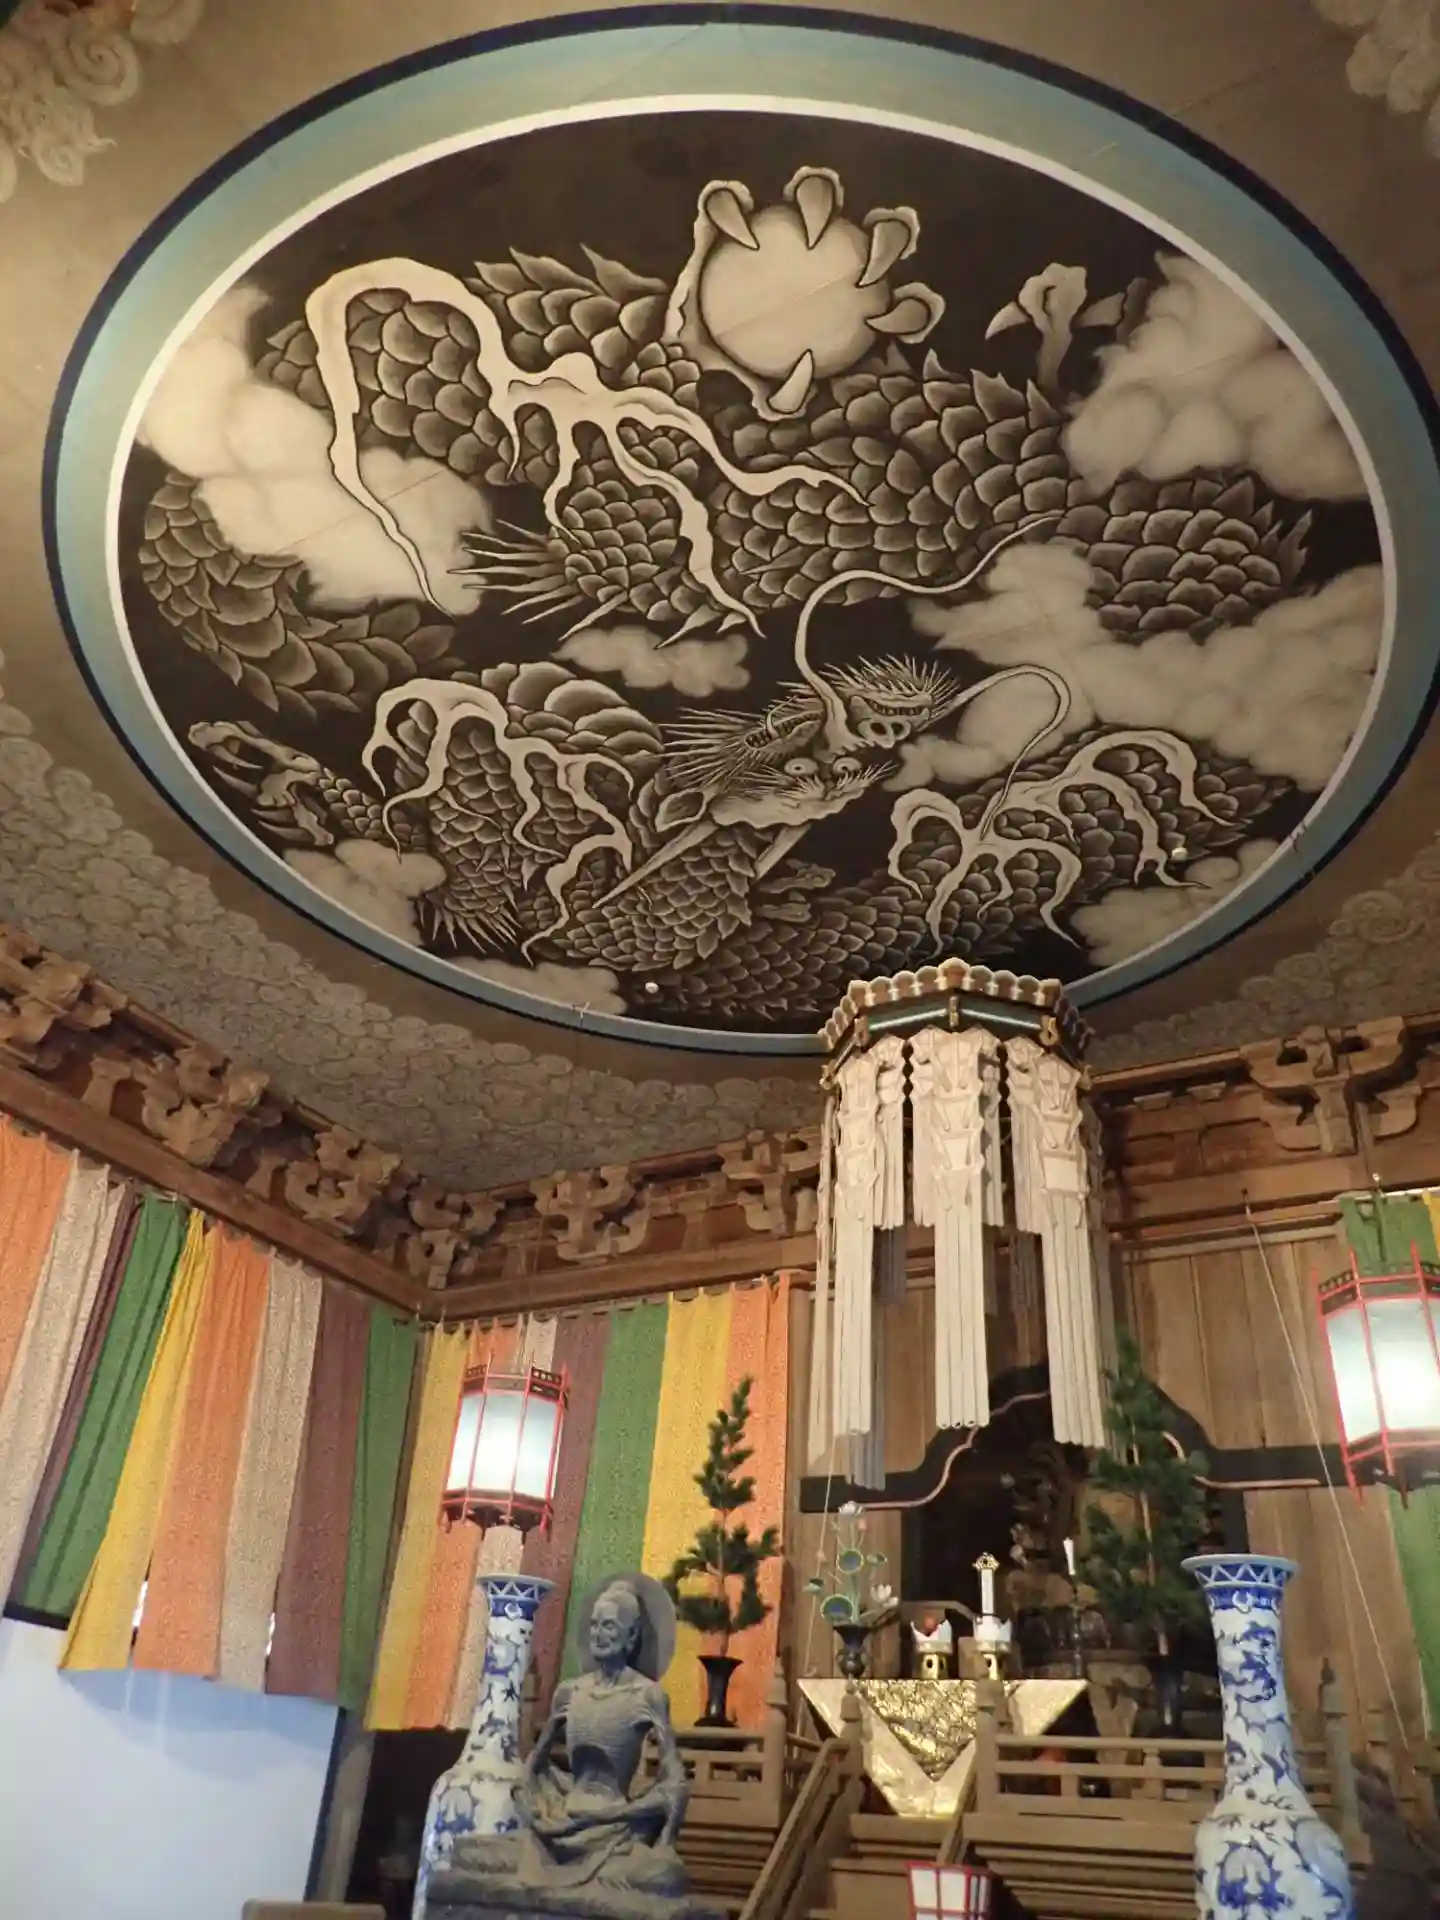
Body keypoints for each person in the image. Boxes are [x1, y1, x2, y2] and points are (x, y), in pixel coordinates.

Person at [430, 1576, 704, 1917]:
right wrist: (530, 1803)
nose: (598, 1634)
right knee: (469, 1852)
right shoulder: (570, 1692)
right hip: (557, 1826)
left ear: (632, 1635)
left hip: (611, 1832)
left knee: (665, 1876)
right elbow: (533, 1766)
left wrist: (655, 1839)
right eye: (594, 1626)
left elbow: (675, 1784)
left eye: (609, 1626)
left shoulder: (646, 1696)